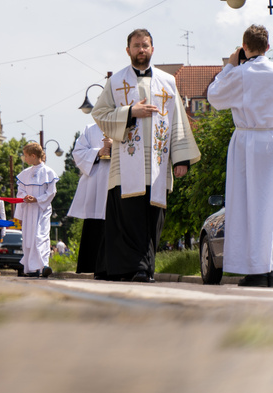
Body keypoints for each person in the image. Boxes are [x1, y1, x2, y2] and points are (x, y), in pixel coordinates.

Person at [92, 29, 200, 283]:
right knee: (130, 219)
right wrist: (130, 112)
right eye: (136, 45)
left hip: (158, 164)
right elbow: (99, 114)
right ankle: (137, 268)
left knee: (152, 219)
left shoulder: (168, 81)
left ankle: (143, 267)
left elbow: (178, 122)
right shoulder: (116, 81)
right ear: (127, 50)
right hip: (125, 165)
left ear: (153, 49)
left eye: (145, 45)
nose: (141, 49)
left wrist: (181, 158)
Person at [207, 24, 273, 287]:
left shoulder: (241, 73)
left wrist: (230, 66)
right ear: (268, 47)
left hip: (248, 141)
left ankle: (257, 270)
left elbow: (214, 96)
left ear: (244, 48)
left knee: (248, 205)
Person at [67, 122, 111, 278]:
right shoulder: (91, 128)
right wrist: (98, 152)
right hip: (96, 181)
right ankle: (95, 266)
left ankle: (117, 267)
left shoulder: (126, 123)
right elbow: (78, 152)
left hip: (118, 178)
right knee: (96, 223)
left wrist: (115, 149)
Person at [15, 142, 57, 278]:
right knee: (29, 238)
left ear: (33, 156)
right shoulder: (24, 174)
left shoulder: (49, 172)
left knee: (40, 236)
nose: (24, 158)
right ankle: (30, 268)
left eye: (26, 156)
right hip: (28, 210)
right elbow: (20, 191)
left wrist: (37, 199)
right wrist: (25, 197)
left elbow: (51, 192)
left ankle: (43, 265)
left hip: (42, 210)